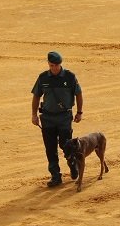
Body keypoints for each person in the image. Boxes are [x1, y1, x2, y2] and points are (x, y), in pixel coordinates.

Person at [31, 51, 84, 187]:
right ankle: (55, 176)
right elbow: (36, 96)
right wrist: (34, 115)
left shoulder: (70, 77)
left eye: (57, 65)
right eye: (52, 65)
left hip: (64, 117)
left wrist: (79, 112)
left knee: (66, 146)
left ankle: (72, 165)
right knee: (50, 148)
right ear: (48, 64)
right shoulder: (43, 78)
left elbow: (78, 94)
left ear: (61, 64)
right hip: (47, 118)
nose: (54, 68)